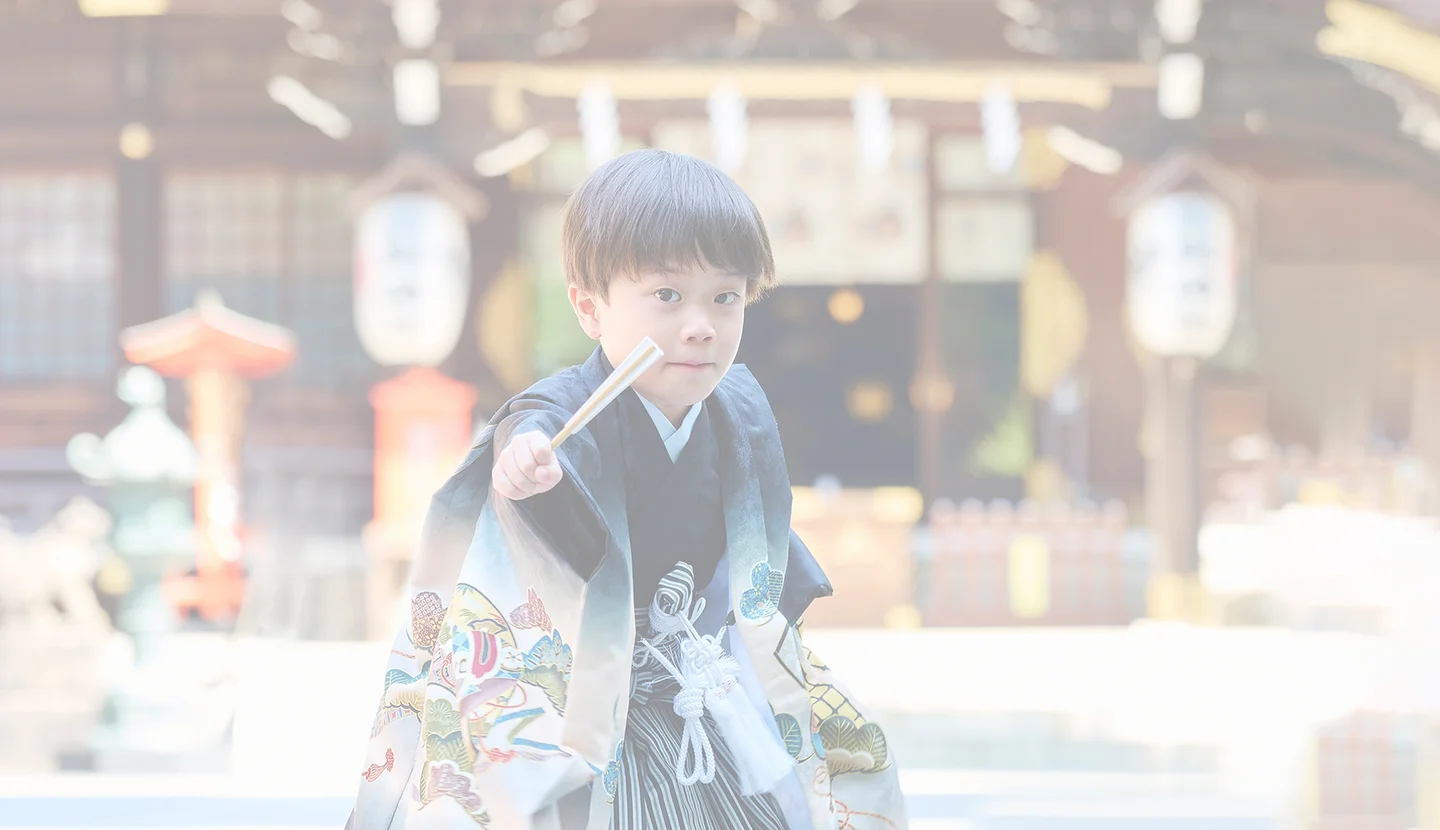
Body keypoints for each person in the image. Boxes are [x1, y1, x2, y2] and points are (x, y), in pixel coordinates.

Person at [350, 149, 907, 830]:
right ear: (590, 308)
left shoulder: (736, 411)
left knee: (845, 766)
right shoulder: (555, 415)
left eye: (724, 297)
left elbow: (753, 564)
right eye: (668, 295)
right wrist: (524, 466)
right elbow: (530, 440)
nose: (700, 323)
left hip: (702, 687)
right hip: (578, 700)